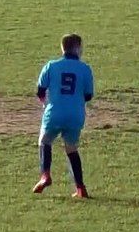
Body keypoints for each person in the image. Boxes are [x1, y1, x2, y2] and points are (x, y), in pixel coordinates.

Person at [32, 34, 95, 199]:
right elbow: (88, 95)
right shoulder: (85, 68)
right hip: (76, 115)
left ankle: (45, 175)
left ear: (63, 48)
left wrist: (45, 103)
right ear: (77, 48)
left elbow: (40, 90)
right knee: (71, 148)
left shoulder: (51, 66)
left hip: (54, 112)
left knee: (45, 141)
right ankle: (80, 188)